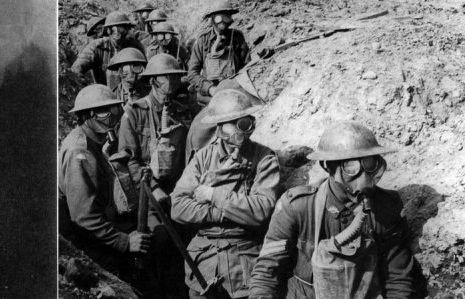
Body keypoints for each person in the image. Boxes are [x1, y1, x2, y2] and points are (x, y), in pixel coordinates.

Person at [248, 121, 427, 298]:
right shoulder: (297, 206)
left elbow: (397, 277)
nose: (363, 176)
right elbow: (267, 271)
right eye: (351, 167)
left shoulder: (386, 207)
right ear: (328, 166)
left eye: (369, 163)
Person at [170, 89, 281, 299]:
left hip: (245, 261)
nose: (242, 128)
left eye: (245, 121)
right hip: (204, 261)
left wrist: (214, 195)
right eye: (235, 122)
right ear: (220, 127)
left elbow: (260, 210)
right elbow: (178, 207)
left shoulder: (264, 158)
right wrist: (222, 213)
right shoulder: (203, 158)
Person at [59, 84, 151, 284]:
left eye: (114, 109)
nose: (111, 116)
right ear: (87, 115)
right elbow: (84, 216)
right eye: (103, 112)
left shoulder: (94, 143)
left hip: (96, 229)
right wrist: (125, 242)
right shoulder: (79, 151)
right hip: (83, 238)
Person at [117, 53, 192, 299]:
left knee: (187, 241)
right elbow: (129, 159)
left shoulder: (184, 112)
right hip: (147, 194)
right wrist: (152, 188)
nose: (168, 85)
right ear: (152, 81)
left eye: (173, 78)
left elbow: (192, 154)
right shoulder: (135, 113)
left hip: (180, 190)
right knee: (159, 241)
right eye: (163, 79)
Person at [187, 1, 250, 98]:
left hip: (234, 90)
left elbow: (247, 66)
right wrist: (209, 88)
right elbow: (192, 73)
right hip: (210, 95)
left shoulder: (237, 37)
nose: (222, 22)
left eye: (226, 17)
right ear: (212, 20)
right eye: (218, 18)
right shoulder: (203, 40)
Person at [71, 11, 146, 89]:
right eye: (113, 28)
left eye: (121, 28)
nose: (117, 32)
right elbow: (76, 69)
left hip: (131, 93)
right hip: (105, 96)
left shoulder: (135, 46)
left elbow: (144, 73)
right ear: (108, 30)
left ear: (127, 29)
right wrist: (89, 89)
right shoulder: (96, 46)